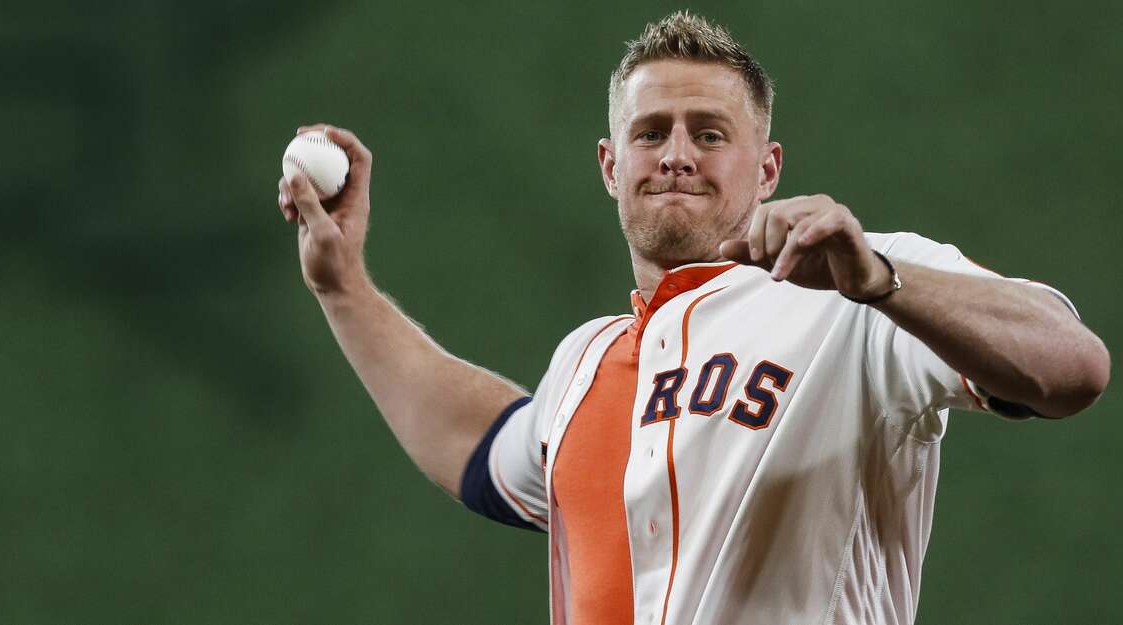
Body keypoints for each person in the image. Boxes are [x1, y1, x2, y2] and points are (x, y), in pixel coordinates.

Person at [274, 11, 1110, 625]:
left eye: (709, 133)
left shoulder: (852, 293)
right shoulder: (587, 361)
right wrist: (344, 286)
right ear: (611, 165)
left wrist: (883, 280)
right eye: (650, 133)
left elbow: (1072, 365)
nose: (676, 152)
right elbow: (481, 444)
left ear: (768, 166)